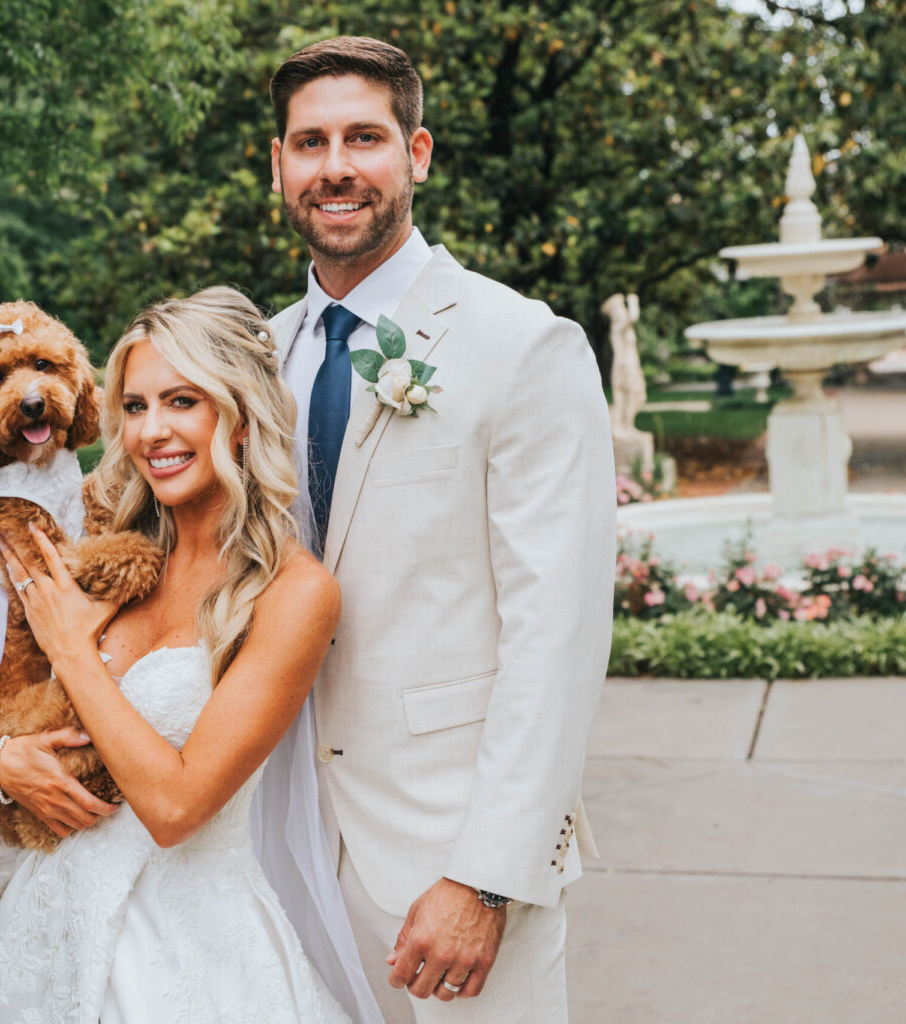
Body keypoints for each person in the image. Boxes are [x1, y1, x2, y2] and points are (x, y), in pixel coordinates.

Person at [263, 36, 615, 1024]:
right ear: (279, 164)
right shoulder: (256, 356)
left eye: (364, 137)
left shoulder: (523, 346)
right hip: (280, 841)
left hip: (448, 859)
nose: (335, 166)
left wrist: (490, 875)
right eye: (310, 141)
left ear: (416, 154)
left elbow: (559, 635)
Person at [0, 287, 381, 1023]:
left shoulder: (293, 594)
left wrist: (72, 649)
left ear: (240, 415)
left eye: (182, 401)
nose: (153, 432)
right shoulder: (99, 533)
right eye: (134, 406)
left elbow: (177, 806)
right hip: (46, 921)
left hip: (186, 957)